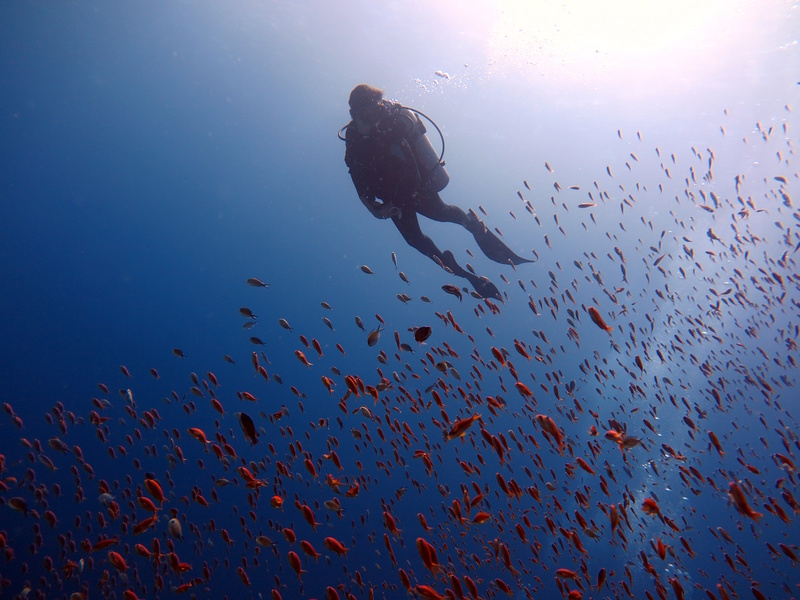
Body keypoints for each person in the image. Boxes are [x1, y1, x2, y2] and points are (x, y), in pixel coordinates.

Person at [341, 84, 532, 301]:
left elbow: (410, 162)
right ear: (353, 115)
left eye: (375, 112)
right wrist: (372, 205)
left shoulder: (392, 124)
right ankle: (452, 266)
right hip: (393, 199)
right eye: (366, 115)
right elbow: (356, 173)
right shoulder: (353, 139)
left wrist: (409, 192)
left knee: (442, 213)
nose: (373, 121)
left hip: (417, 188)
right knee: (414, 240)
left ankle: (471, 224)